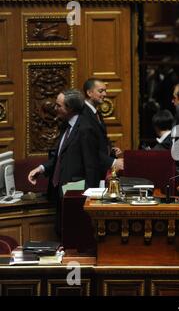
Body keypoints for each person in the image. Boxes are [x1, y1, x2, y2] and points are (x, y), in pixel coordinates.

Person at [27, 89, 100, 236]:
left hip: (77, 195)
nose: (55, 109)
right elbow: (60, 157)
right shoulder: (66, 125)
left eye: (58, 106)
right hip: (62, 192)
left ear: (70, 109)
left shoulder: (86, 129)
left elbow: (92, 167)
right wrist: (41, 169)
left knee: (74, 237)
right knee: (61, 233)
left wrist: (89, 200)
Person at [82, 78, 124, 179]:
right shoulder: (83, 114)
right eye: (101, 91)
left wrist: (110, 149)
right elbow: (89, 147)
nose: (105, 94)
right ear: (89, 93)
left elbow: (99, 138)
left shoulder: (97, 112)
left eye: (105, 91)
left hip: (99, 169)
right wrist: (113, 162)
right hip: (87, 172)